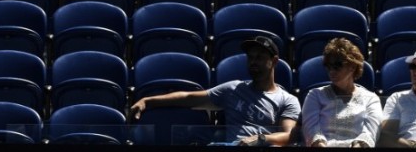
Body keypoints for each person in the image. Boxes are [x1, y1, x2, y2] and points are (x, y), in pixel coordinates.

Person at [129, 35, 301, 146]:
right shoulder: (234, 88)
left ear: (275, 61)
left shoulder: (287, 100)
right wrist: (148, 101)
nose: (253, 62)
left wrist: (260, 139)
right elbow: (190, 97)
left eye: (260, 58)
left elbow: (288, 136)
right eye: (250, 57)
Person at [301, 38, 383, 148]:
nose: (331, 71)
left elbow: (370, 132)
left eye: (337, 65)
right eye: (328, 66)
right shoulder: (315, 95)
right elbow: (311, 130)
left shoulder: (371, 99)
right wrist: (320, 144)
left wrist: (358, 145)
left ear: (352, 66)